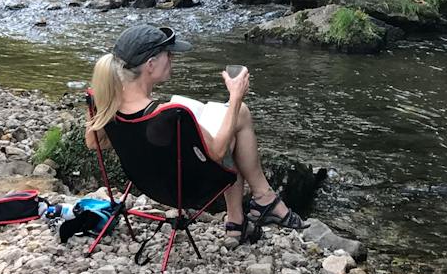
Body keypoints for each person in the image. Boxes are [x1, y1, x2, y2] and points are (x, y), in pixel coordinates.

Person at [84, 24, 305, 240]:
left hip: (150, 185)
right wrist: (236, 96)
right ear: (150, 65)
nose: (172, 59)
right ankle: (261, 201)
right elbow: (218, 152)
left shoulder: (106, 105)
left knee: (228, 119)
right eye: (168, 55)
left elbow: (95, 143)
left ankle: (241, 219)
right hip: (189, 190)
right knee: (238, 115)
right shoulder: (169, 114)